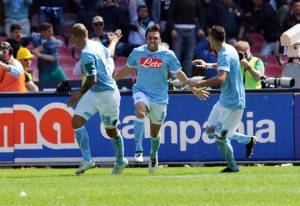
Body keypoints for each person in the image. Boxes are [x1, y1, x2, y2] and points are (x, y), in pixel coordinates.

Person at [113, 24, 208, 172]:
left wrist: (192, 88)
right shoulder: (137, 52)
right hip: (141, 90)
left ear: (160, 39)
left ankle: (153, 154)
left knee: (154, 133)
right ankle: (138, 149)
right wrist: (114, 79)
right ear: (146, 39)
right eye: (150, 38)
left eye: (155, 38)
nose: (152, 41)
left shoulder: (168, 55)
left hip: (160, 98)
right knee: (140, 112)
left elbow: (179, 74)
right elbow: (128, 68)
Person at [190, 25, 256, 173]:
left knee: (220, 138)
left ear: (212, 38)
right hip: (224, 100)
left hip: (234, 103)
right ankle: (247, 140)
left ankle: (233, 167)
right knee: (209, 131)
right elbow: (225, 66)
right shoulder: (228, 49)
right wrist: (207, 65)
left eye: (209, 37)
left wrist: (200, 83)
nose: (208, 40)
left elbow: (221, 78)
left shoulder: (225, 53)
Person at [67, 23, 128, 175]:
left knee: (111, 131)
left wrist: (78, 95)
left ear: (74, 38)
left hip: (108, 93)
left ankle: (120, 161)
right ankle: (88, 160)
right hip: (94, 93)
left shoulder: (86, 53)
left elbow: (92, 79)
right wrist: (114, 41)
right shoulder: (96, 44)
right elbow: (109, 53)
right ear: (86, 33)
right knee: (76, 121)